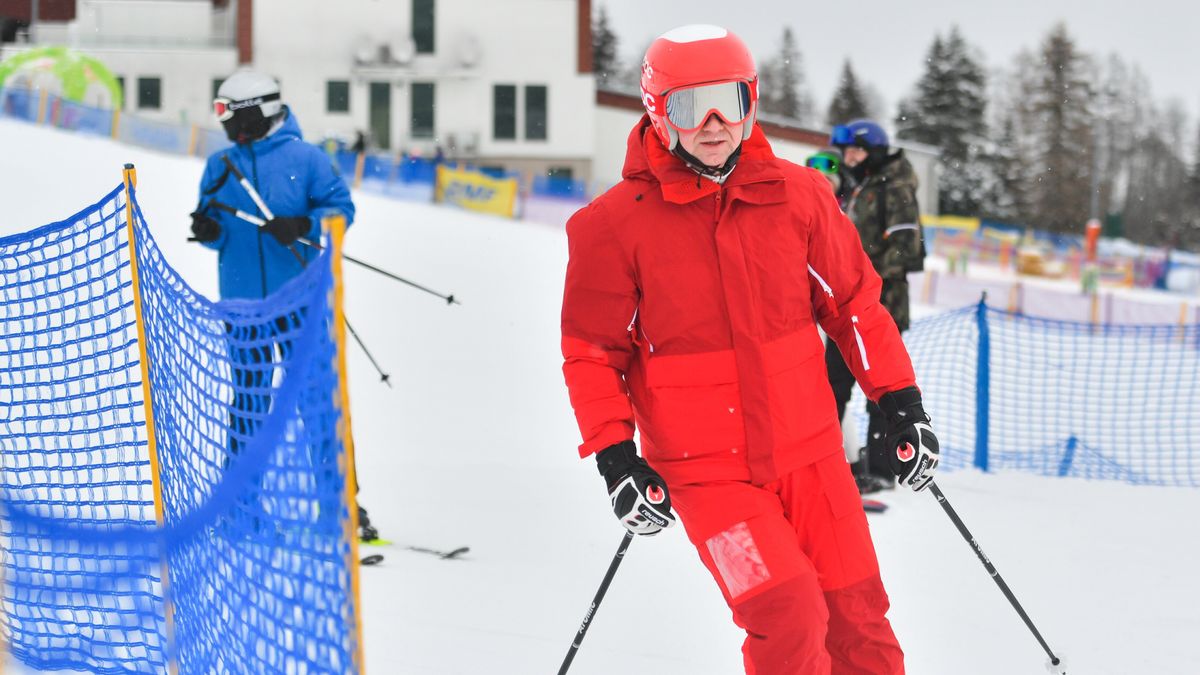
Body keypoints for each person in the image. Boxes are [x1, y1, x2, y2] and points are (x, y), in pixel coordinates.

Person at [561, 25, 939, 673]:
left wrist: (898, 402)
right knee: (788, 612)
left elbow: (854, 306)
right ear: (656, 110)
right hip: (706, 472)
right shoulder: (612, 226)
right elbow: (593, 352)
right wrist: (617, 457)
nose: (712, 124)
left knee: (859, 619)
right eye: (688, 105)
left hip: (813, 453)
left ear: (751, 101)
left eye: (728, 102)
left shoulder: (802, 197)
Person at [187, 69, 379, 541]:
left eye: (227, 112)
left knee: (316, 399)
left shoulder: (307, 159)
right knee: (249, 404)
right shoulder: (221, 165)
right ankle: (241, 506)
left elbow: (341, 211)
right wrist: (208, 231)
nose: (223, 123)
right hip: (244, 308)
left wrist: (304, 225)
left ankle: (341, 506)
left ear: (255, 111)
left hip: (301, 304)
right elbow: (213, 225)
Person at [827, 119, 925, 494]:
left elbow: (907, 249)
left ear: (876, 151)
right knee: (831, 383)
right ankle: (827, 460)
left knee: (878, 385)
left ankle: (883, 468)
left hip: (882, 304)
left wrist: (860, 274)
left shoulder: (894, 187)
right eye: (847, 151)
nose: (849, 157)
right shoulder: (860, 186)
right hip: (846, 305)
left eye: (857, 150)